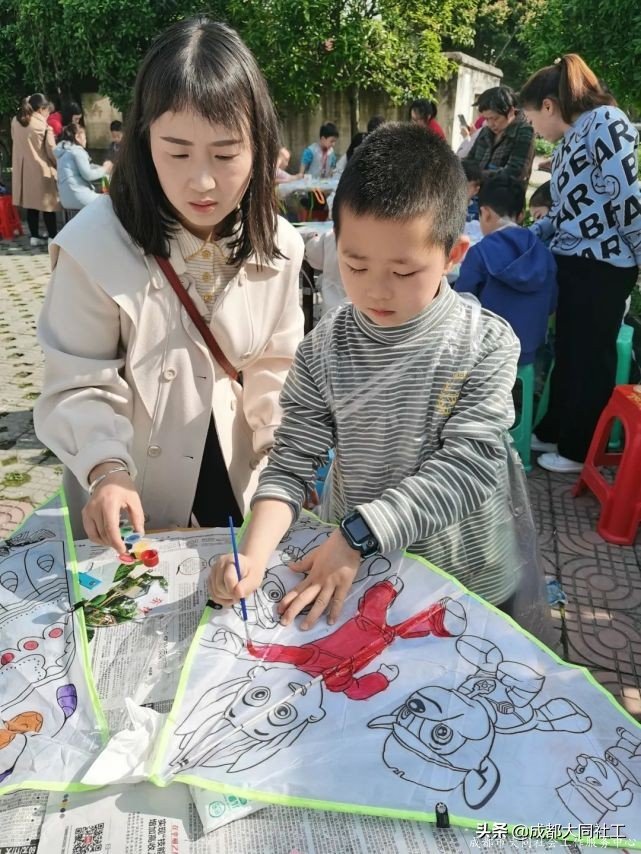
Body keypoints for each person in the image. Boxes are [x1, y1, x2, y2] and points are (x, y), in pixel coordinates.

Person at [211, 123, 531, 630]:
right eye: (355, 266)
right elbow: (293, 460)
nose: (377, 291)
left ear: (453, 255)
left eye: (403, 272)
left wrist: (358, 533)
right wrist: (251, 555)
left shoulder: (484, 344)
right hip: (365, 573)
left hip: (467, 578)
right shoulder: (323, 349)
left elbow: (472, 466)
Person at [34, 17, 304, 554]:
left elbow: (276, 368)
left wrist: (289, 463)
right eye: (177, 152)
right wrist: (107, 470)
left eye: (226, 155)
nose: (201, 181)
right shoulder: (95, 244)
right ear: (143, 139)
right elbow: (79, 382)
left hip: (237, 479)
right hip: (130, 495)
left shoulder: (279, 244)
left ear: (262, 148)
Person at [520, 54, 641, 473]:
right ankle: (556, 429)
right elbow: (567, 211)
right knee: (569, 352)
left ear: (549, 106)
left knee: (591, 357)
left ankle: (578, 449)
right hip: (574, 262)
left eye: (533, 119)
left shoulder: (608, 122)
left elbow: (627, 198)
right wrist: (526, 237)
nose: (534, 129)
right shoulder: (573, 137)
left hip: (604, 265)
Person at [455, 175, 557, 367]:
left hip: (485, 353)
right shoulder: (545, 254)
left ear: (485, 214)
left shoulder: (480, 252)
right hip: (527, 352)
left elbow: (462, 306)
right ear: (520, 216)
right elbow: (550, 305)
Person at [304, 132, 368, 313]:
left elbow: (313, 256)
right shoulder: (382, 240)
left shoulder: (332, 236)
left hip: (332, 318)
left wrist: (314, 239)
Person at [11, 93, 60, 246]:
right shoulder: (44, 127)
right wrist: (59, 165)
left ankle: (34, 237)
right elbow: (52, 151)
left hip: (23, 171)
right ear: (40, 109)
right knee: (48, 205)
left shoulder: (15, 121)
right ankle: (53, 236)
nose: (48, 114)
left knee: (31, 205)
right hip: (42, 169)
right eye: (47, 111)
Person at [463, 86, 535, 186]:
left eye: (495, 118)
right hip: (475, 192)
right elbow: (469, 160)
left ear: (510, 112)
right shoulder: (485, 131)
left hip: (502, 197)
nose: (490, 124)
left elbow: (515, 172)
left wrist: (477, 175)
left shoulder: (524, 132)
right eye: (487, 119)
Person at [54, 122, 112, 213]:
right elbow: (88, 175)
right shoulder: (77, 151)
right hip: (79, 195)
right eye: (85, 138)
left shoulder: (64, 151)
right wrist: (105, 169)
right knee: (108, 201)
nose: (86, 141)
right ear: (77, 137)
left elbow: (86, 167)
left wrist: (100, 168)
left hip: (66, 198)